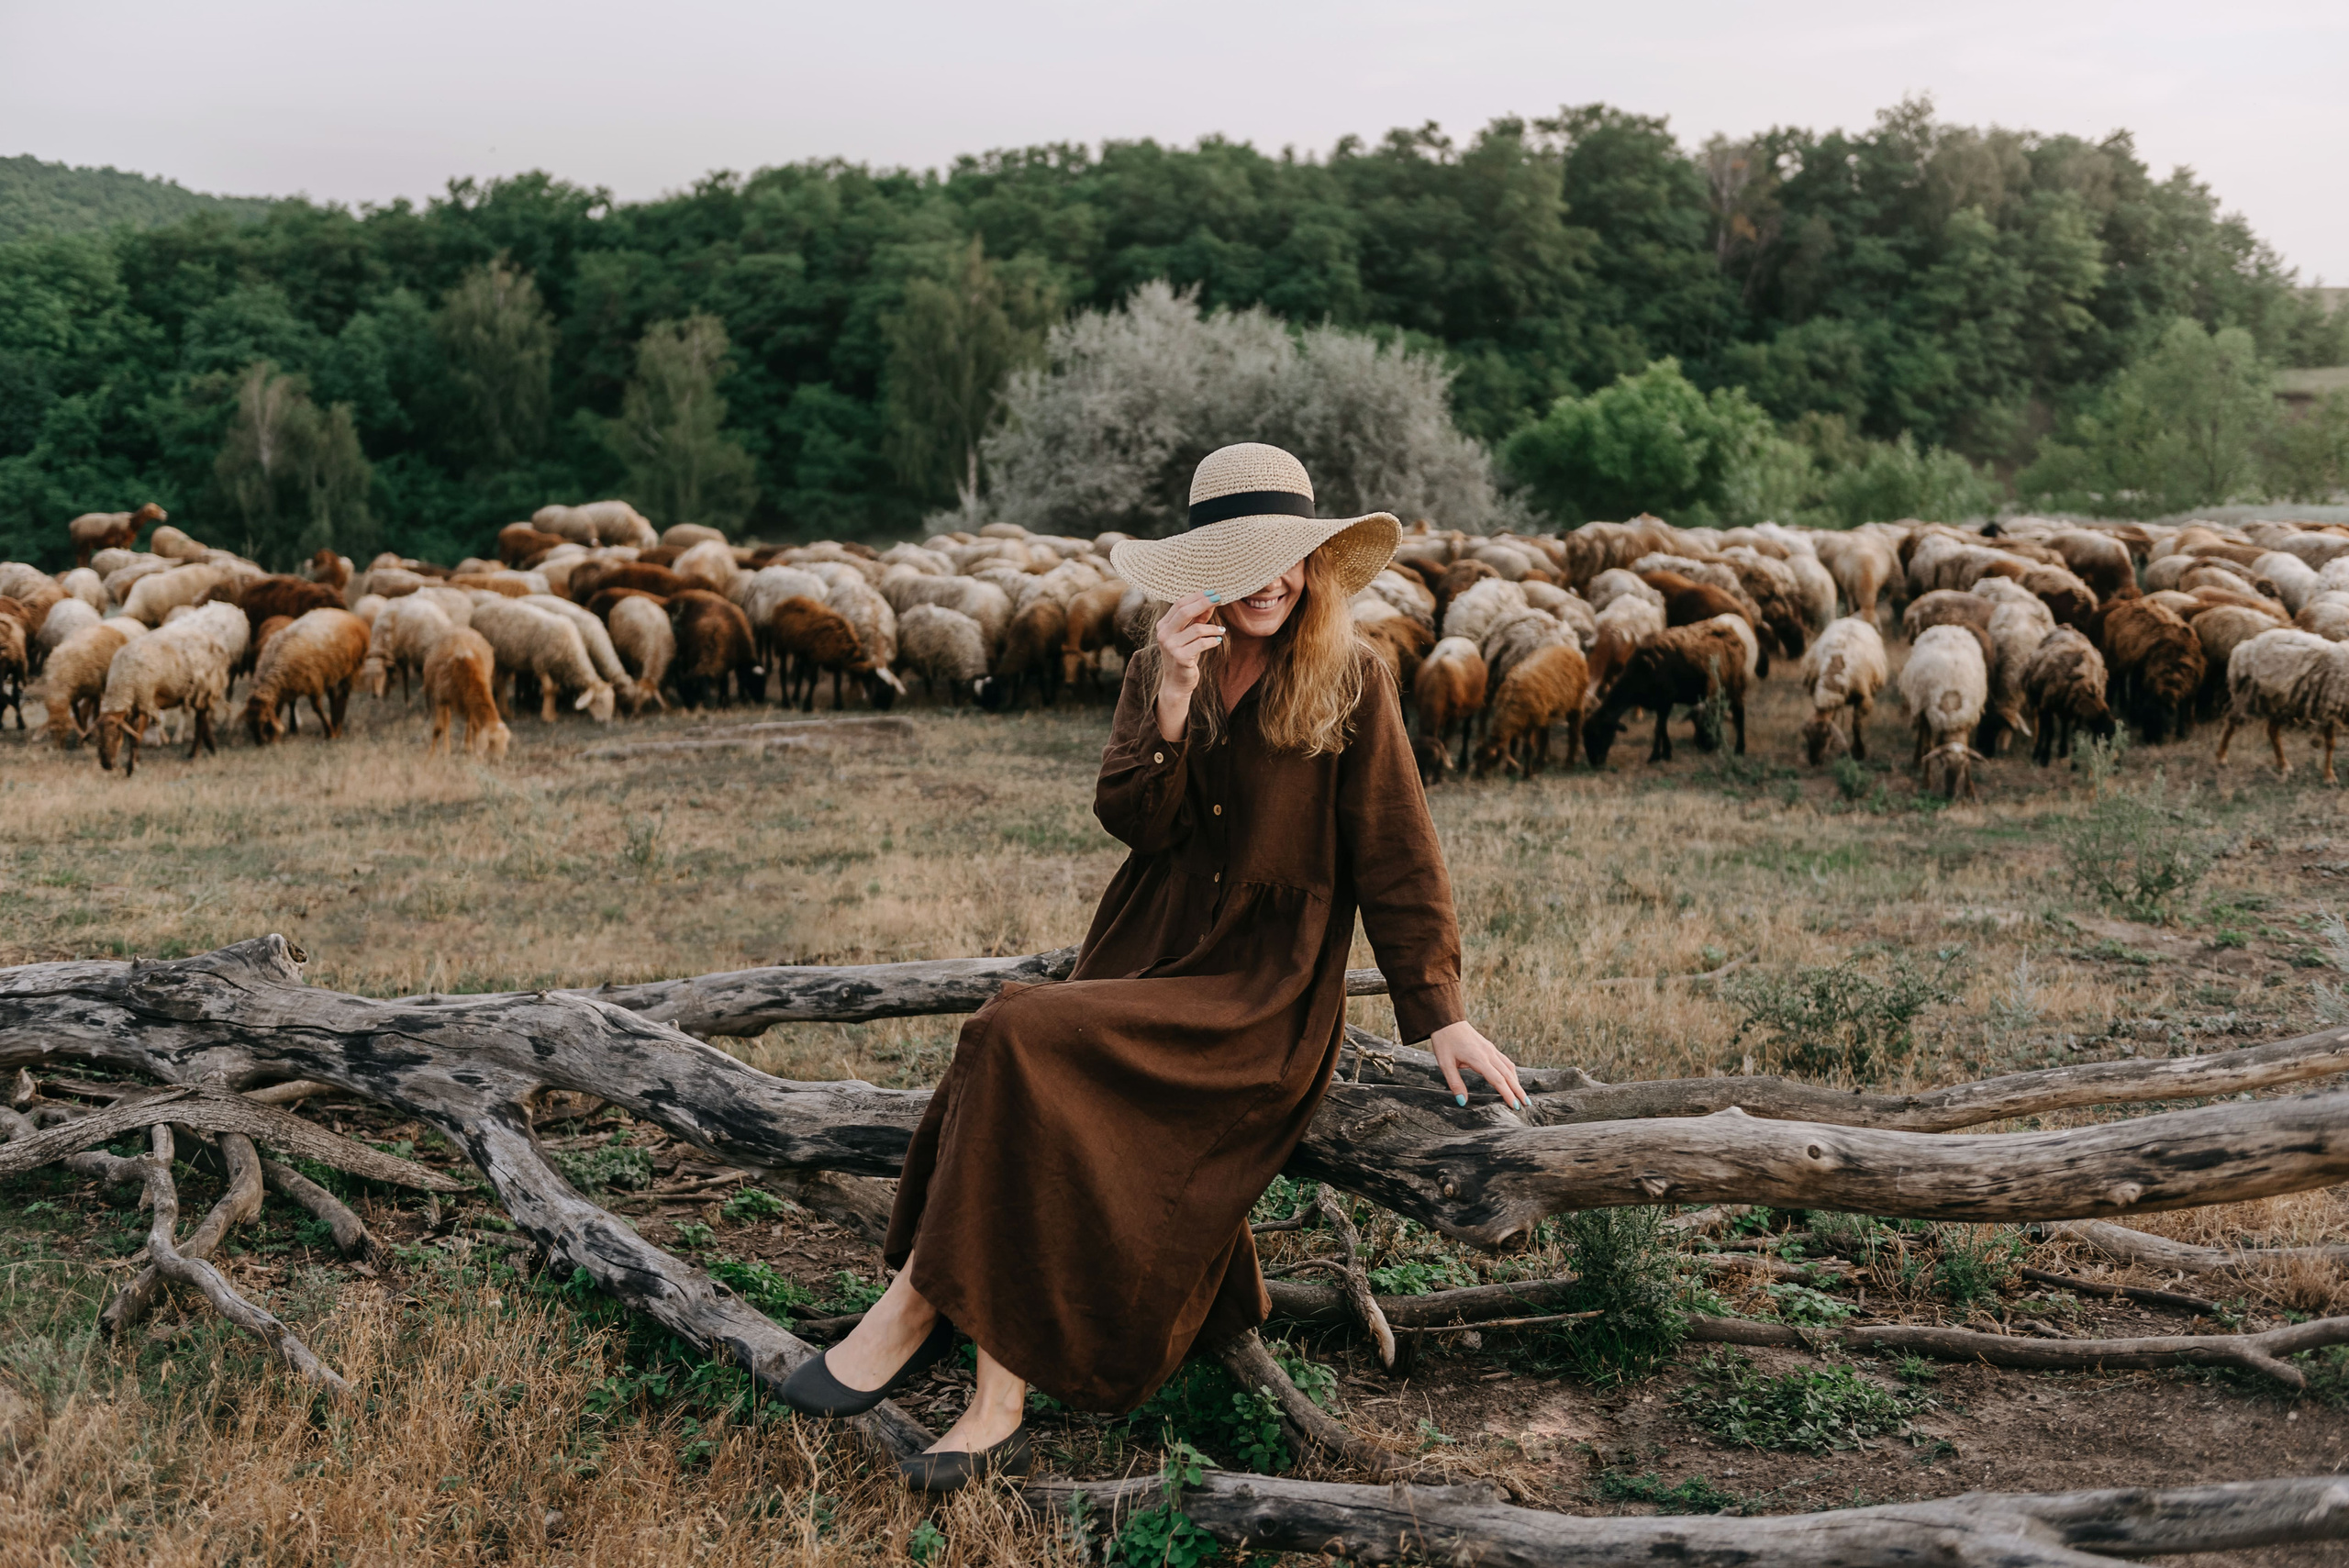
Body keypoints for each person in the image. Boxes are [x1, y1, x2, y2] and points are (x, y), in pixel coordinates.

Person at [780, 442, 1526, 1490]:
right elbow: (1132, 820)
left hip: (1258, 992)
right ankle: (988, 1391)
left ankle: (917, 1309)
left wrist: (1439, 1010)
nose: (1269, 580)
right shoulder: (1157, 665)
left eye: (1286, 557)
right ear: (1205, 569)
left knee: (1015, 1032)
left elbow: (1397, 852)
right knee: (1012, 1044)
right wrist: (1173, 697)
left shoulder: (1353, 675)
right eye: (1243, 558)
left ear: (1312, 563)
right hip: (1143, 949)